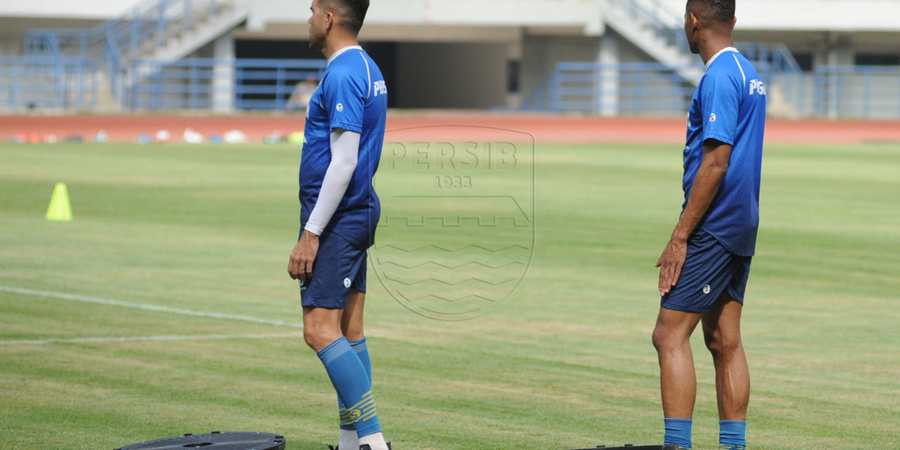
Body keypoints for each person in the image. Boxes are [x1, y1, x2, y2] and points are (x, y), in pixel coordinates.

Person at [652, 1, 766, 449]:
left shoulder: (718, 75)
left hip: (714, 225)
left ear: (693, 22)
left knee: (669, 335)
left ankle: (677, 445)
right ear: (732, 21)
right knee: (723, 339)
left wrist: (681, 235)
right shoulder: (748, 72)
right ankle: (733, 446)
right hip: (742, 222)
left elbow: (716, 163)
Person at [286, 1, 389, 449]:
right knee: (350, 330)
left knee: (319, 330)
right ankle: (352, 443)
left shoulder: (344, 72)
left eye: (312, 10)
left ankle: (372, 442)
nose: (307, 18)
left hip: (339, 218)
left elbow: (343, 161)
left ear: (329, 18)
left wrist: (311, 233)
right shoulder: (366, 66)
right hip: (357, 211)